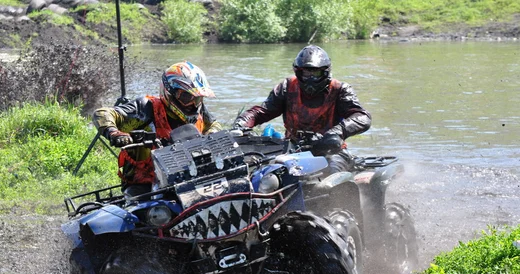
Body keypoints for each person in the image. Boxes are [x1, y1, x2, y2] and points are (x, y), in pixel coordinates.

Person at [233, 45, 371, 173]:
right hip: (292, 151)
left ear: (325, 72)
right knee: (262, 175)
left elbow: (362, 117)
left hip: (331, 151)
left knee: (331, 175)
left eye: (316, 74)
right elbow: (262, 112)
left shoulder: (340, 89)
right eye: (306, 73)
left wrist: (336, 133)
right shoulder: (287, 87)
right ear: (298, 72)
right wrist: (241, 124)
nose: (310, 78)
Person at [93, 61, 222, 196]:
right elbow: (102, 113)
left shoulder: (200, 111)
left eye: (198, 99)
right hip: (144, 185)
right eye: (186, 97)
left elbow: (214, 124)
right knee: (146, 214)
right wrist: (114, 133)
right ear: (169, 91)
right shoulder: (145, 108)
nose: (192, 105)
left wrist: (211, 135)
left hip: (187, 177)